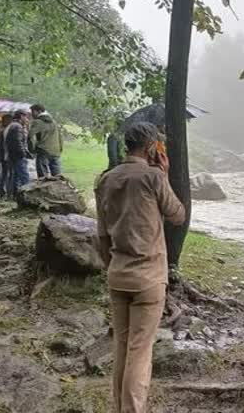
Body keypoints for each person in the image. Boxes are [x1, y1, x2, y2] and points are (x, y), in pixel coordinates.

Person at [94, 122, 185, 413]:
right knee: (140, 351)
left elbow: (101, 235)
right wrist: (165, 175)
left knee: (122, 347)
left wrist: (113, 266)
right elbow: (178, 215)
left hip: (117, 273)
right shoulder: (153, 178)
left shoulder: (105, 179)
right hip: (148, 277)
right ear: (151, 147)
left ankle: (119, 407)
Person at [29, 104, 63, 178]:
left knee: (43, 178)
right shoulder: (54, 122)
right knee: (58, 177)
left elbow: (30, 136)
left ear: (39, 111)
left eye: (32, 111)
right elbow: (60, 136)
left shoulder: (37, 122)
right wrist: (60, 148)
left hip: (43, 151)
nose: (31, 114)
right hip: (55, 151)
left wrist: (32, 150)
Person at [5, 109, 32, 195]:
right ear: (21, 116)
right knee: (24, 176)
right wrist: (23, 153)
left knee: (16, 176)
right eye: (26, 116)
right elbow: (18, 142)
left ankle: (15, 194)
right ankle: (29, 195)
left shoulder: (13, 125)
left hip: (13, 155)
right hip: (18, 156)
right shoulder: (17, 127)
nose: (27, 119)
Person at [0, 113, 13, 199]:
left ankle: (1, 191)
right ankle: (2, 191)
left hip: (3, 155)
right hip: (4, 155)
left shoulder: (1, 130)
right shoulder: (3, 130)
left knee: (4, 173)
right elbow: (1, 145)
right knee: (5, 173)